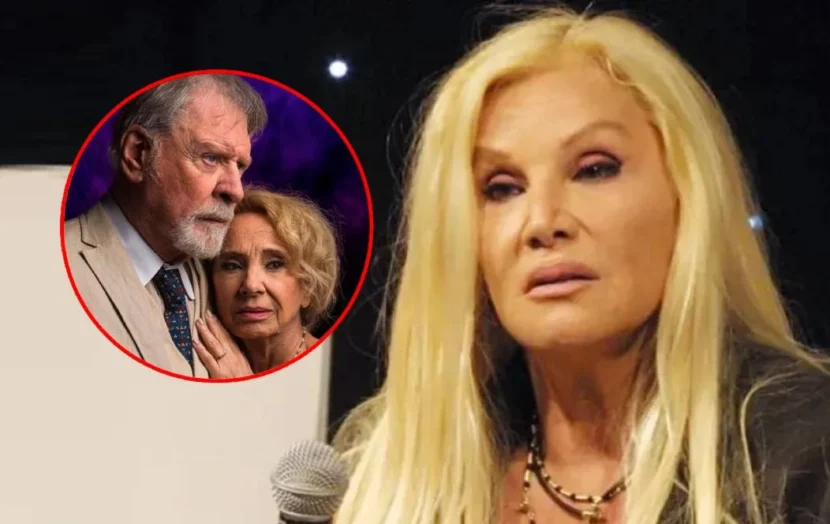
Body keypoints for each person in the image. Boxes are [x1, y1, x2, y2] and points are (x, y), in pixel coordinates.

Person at [331, 7, 830, 524]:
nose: (543, 222)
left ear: (688, 196)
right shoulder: (381, 477)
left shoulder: (808, 451)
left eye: (594, 170)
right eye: (502, 188)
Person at [63, 74, 268, 377]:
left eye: (239, 166)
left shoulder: (226, 274)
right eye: (211, 158)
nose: (236, 190)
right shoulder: (48, 266)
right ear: (138, 154)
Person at [191, 189, 339, 379]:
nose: (251, 286)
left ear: (309, 287)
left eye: (275, 265)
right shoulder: (197, 363)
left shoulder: (333, 373)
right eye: (232, 266)